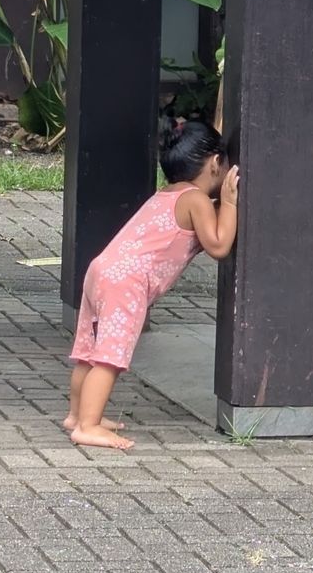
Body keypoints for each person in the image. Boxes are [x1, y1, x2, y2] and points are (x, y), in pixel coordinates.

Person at [64, 119, 239, 451]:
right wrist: (229, 203)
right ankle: (87, 427)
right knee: (110, 357)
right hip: (126, 283)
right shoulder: (196, 200)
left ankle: (77, 415)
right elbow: (218, 245)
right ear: (216, 163)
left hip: (101, 271)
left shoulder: (170, 194)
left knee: (88, 351)